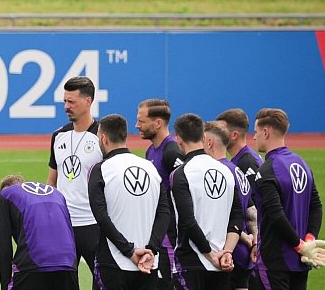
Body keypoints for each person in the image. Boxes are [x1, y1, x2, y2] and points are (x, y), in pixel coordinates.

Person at [88, 114, 171, 290]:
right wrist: (152, 249)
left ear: (103, 138)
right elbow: (164, 213)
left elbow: (101, 217)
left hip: (113, 262)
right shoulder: (150, 168)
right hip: (148, 263)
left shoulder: (101, 169)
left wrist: (129, 251)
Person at [251, 108, 325, 290]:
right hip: (301, 262)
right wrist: (309, 239)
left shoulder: (267, 170)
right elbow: (316, 205)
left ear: (266, 132)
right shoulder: (301, 163)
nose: (254, 137)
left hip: (275, 262)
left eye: (255, 132)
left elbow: (276, 215)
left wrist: (300, 246)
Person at [170, 114, 243, 289]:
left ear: (178, 139)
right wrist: (227, 252)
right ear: (203, 137)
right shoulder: (226, 171)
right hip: (222, 265)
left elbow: (188, 221)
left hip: (191, 262)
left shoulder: (181, 174)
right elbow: (237, 216)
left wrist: (211, 255)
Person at [46, 76, 102, 280]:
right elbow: (52, 179)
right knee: (63, 282)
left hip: (93, 224)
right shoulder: (58, 135)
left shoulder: (103, 136)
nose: (66, 106)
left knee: (102, 280)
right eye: (65, 101)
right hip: (63, 224)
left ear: (88, 101)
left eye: (72, 102)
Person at [0, 174, 78, 290]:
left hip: (33, 265)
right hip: (68, 264)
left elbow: (4, 247)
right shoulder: (56, 194)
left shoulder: (4, 196)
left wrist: (5, 285)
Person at [135, 98, 182, 289]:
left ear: (158, 123)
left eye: (142, 121)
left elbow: (184, 194)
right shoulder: (150, 152)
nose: (137, 125)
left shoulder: (171, 152)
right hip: (159, 234)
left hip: (172, 237)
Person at [204, 121, 257, 290]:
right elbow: (251, 212)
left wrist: (242, 236)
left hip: (228, 252)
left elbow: (224, 215)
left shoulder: (217, 173)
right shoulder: (237, 170)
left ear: (209, 142)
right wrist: (253, 239)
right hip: (244, 254)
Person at [215, 109, 262, 188]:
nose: (216, 135)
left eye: (221, 131)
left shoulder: (246, 163)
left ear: (234, 135)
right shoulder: (243, 158)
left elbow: (255, 198)